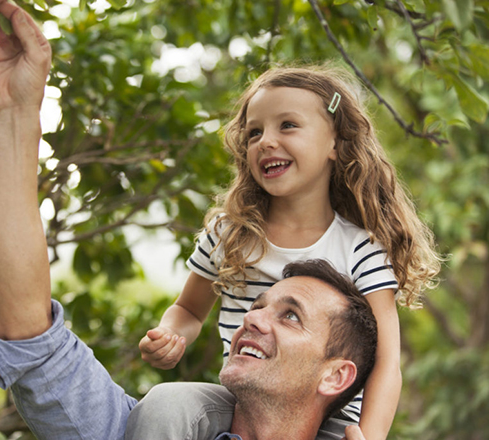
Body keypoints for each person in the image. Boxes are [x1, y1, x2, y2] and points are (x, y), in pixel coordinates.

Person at [0, 1, 376, 439]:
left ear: (336, 376)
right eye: (257, 304)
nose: (252, 318)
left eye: (291, 316)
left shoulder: (361, 247)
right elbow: (31, 342)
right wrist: (17, 116)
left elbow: (388, 364)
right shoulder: (144, 428)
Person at [138, 62, 441, 438]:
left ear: (335, 143)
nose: (265, 141)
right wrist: (171, 334)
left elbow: (386, 362)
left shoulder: (362, 249)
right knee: (168, 403)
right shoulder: (230, 233)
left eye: (288, 125)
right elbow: (188, 309)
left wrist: (370, 435)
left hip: (331, 420)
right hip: (243, 406)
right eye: (253, 132)